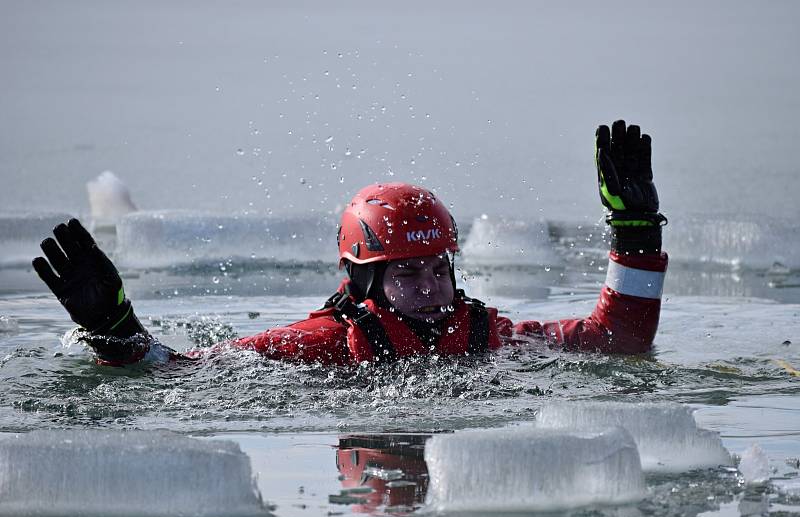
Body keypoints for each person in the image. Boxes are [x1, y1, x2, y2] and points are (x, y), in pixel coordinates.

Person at [32, 120, 667, 366]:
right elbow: (188, 373)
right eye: (405, 274)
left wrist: (634, 237)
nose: (428, 289)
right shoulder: (326, 344)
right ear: (363, 282)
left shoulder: (489, 335)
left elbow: (621, 340)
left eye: (436, 270)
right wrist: (116, 331)